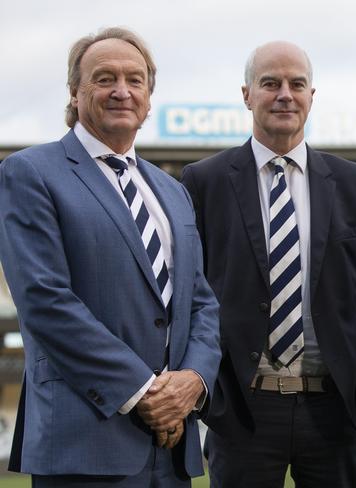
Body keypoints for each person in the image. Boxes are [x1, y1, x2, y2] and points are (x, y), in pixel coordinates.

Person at [0, 27, 222, 487]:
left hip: (173, 444)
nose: (122, 90)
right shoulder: (30, 173)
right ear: (75, 93)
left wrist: (192, 383)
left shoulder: (173, 192)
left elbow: (201, 303)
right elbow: (45, 300)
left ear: (148, 95)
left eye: (135, 80)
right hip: (86, 440)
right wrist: (144, 393)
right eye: (105, 79)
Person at [181, 40, 356, 488]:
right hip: (243, 411)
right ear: (247, 94)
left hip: (335, 411)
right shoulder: (203, 182)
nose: (285, 93)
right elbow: (192, 297)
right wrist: (215, 397)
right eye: (270, 83)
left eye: (296, 84)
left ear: (311, 95)